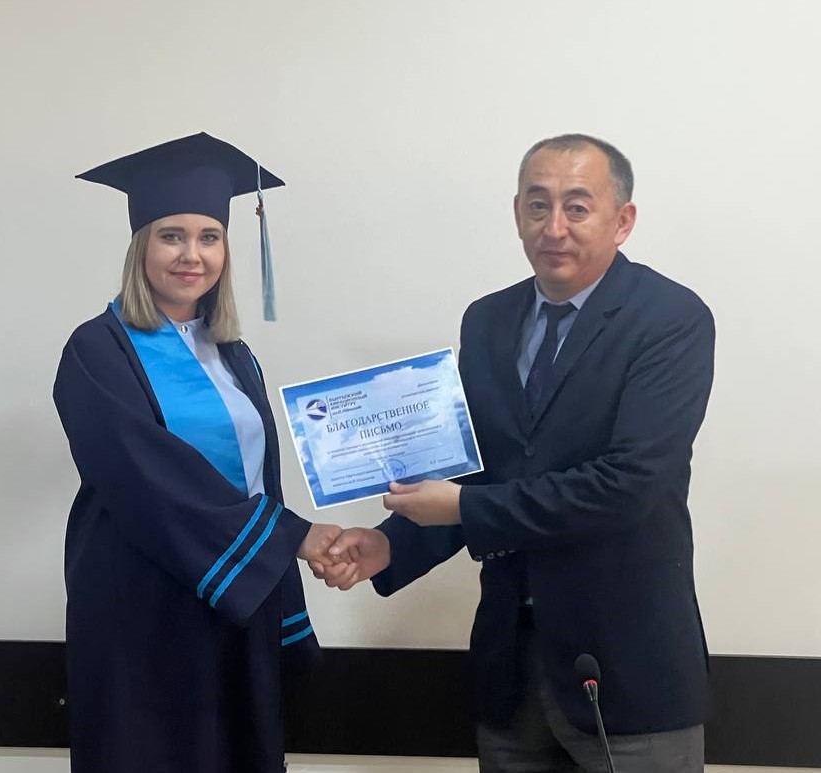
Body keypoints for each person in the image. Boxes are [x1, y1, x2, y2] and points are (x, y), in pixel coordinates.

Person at [316, 134, 715, 773]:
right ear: (517, 214)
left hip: (628, 666)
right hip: (511, 668)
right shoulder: (488, 321)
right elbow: (478, 472)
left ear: (623, 221)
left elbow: (629, 484)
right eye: (537, 205)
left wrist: (464, 507)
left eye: (577, 207)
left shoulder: (670, 319)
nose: (554, 227)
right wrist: (391, 544)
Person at [54, 132, 341, 773]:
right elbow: (147, 475)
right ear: (141, 246)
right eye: (171, 236)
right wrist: (292, 536)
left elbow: (259, 478)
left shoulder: (232, 353)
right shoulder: (97, 350)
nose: (192, 255)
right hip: (143, 608)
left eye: (209, 237)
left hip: (236, 600)